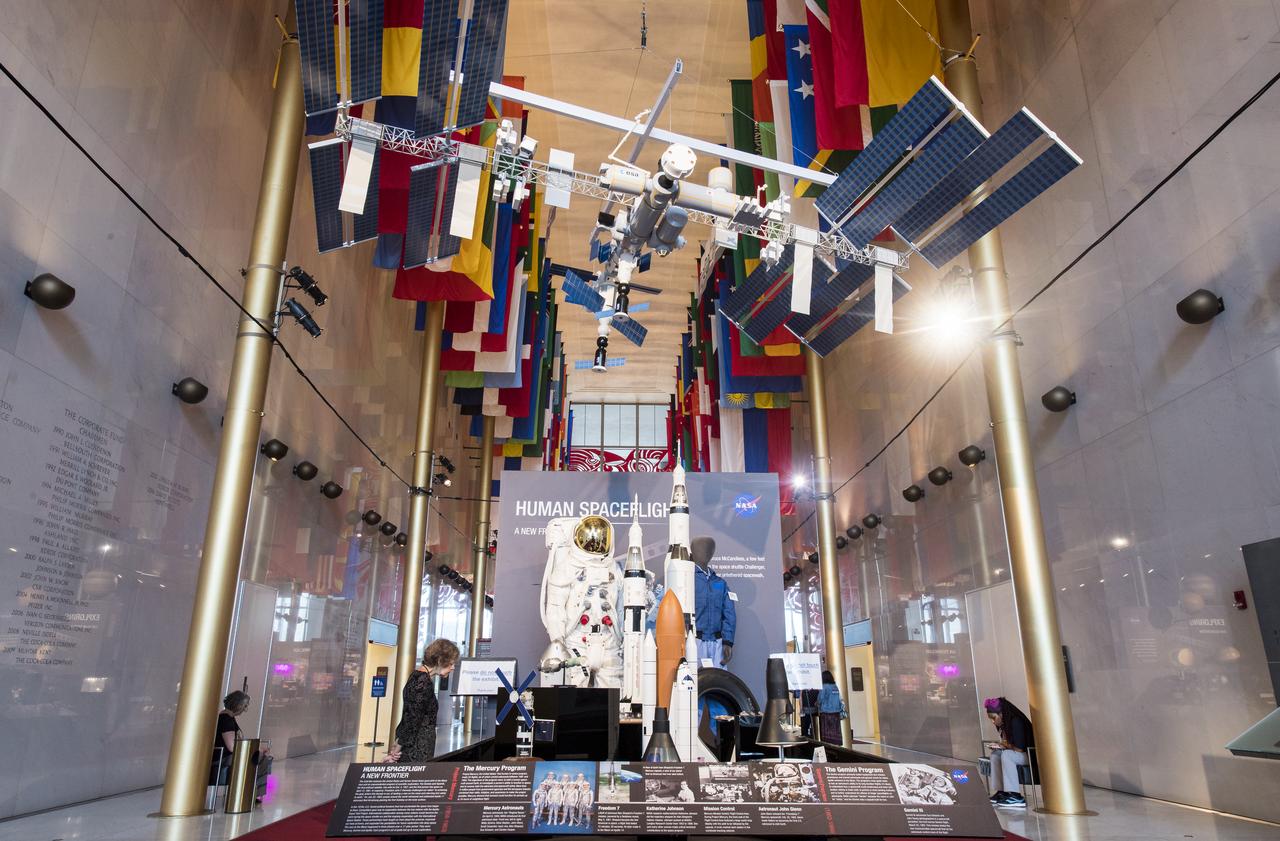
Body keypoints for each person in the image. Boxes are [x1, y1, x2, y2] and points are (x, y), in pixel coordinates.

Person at [385, 638, 460, 764]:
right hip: (417, 748)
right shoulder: (423, 682)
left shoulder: (417, 676)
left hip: (415, 744)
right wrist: (396, 751)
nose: (452, 668)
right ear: (440, 660)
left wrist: (397, 743)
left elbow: (408, 715)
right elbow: (412, 719)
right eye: (451, 663)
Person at [210, 690, 272, 800]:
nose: (245, 709)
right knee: (261, 759)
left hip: (225, 756)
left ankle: (253, 792)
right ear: (238, 705)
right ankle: (255, 793)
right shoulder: (226, 719)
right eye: (245, 706)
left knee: (261, 758)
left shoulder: (228, 718)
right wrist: (254, 751)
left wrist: (256, 748)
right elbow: (232, 746)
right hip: (223, 758)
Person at [690, 536, 736, 666]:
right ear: (693, 551)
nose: (705, 552)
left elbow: (729, 614)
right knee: (694, 681)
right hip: (694, 641)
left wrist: (728, 642)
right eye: (700, 549)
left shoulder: (720, 583)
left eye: (709, 549)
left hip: (717, 644)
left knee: (718, 681)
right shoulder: (687, 579)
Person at [984, 696, 1034, 808]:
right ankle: (1001, 791)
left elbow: (1019, 748)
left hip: (1029, 755)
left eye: (994, 718)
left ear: (1001, 714)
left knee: (1006, 755)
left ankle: (1015, 795)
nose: (993, 722)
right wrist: (1000, 747)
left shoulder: (1016, 721)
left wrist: (1002, 746)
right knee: (996, 755)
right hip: (1018, 753)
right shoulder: (1004, 724)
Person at [816, 670, 846, 743]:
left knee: (827, 733)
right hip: (836, 712)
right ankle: (836, 744)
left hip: (826, 712)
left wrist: (817, 703)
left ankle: (828, 747)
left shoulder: (824, 687)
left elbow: (820, 698)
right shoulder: (835, 686)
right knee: (835, 731)